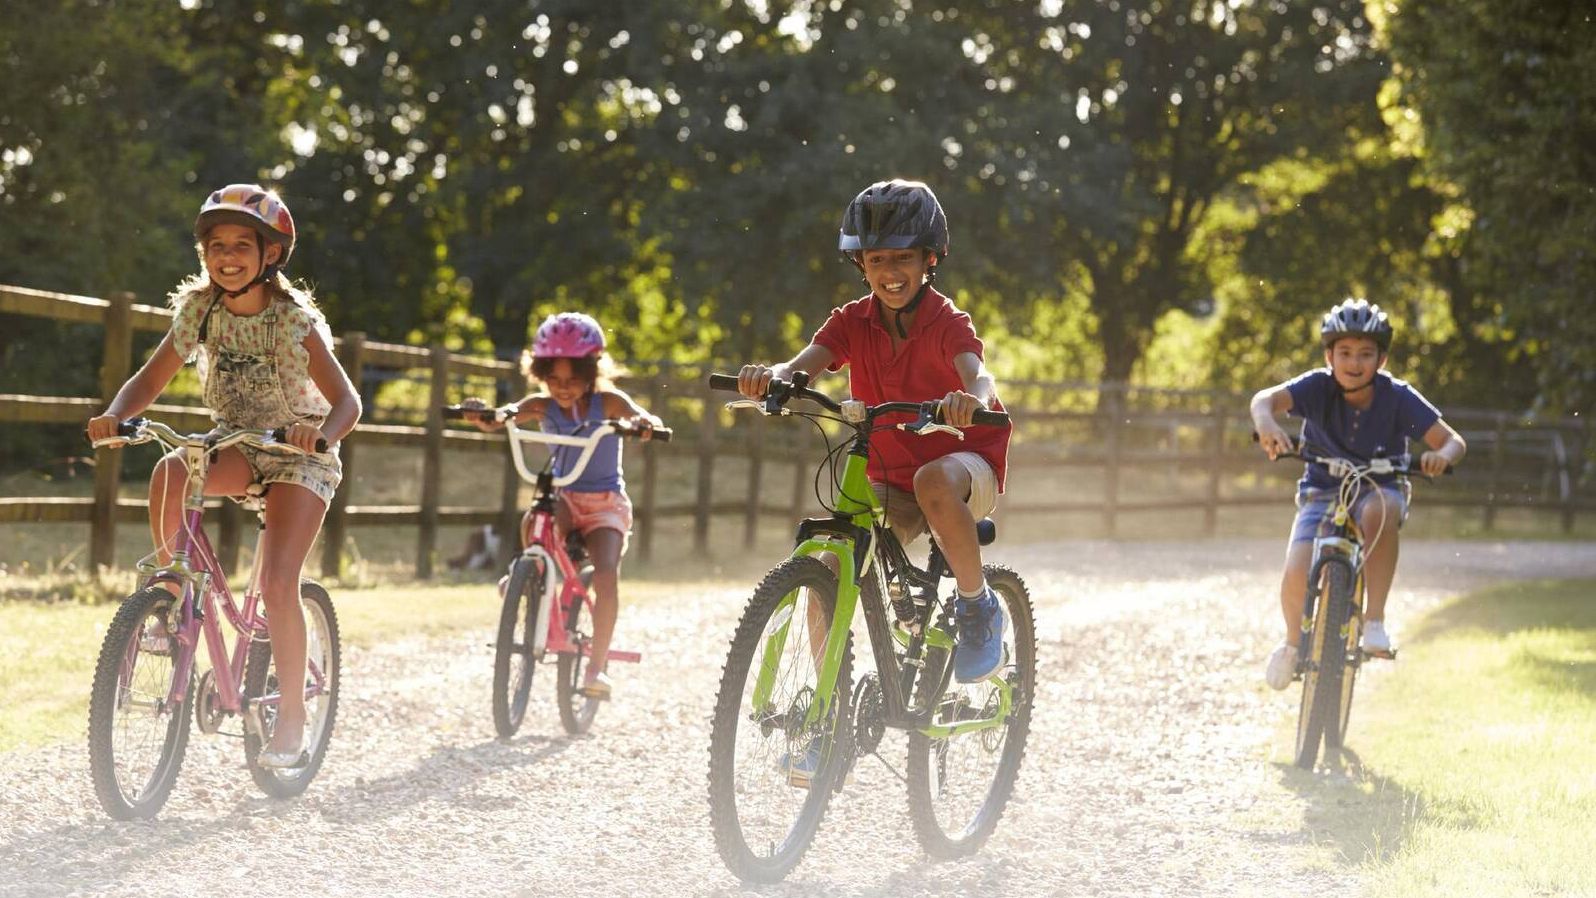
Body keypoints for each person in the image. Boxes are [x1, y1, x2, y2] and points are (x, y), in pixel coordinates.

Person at [86, 184, 362, 767]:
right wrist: (117, 415)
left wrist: (323, 435)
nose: (227, 254)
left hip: (297, 453)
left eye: (243, 243)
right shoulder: (199, 310)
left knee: (281, 583)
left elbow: (348, 402)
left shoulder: (293, 322)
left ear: (271, 255)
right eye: (216, 244)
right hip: (236, 441)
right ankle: (169, 593)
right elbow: (151, 377)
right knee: (170, 470)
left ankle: (292, 719)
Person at [736, 178, 1013, 686]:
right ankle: (826, 708)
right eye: (877, 258)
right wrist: (772, 377)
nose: (890, 271)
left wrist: (972, 397)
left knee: (933, 480)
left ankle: (978, 608)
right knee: (828, 569)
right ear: (860, 263)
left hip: (962, 464)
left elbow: (979, 373)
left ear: (930, 259)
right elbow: (800, 366)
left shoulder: (946, 320)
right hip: (888, 467)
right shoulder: (851, 322)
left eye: (904, 258)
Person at [1251, 298, 1466, 690]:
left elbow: (1453, 441)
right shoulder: (1316, 386)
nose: (1354, 363)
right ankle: (1293, 644)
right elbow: (1263, 400)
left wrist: (1440, 456)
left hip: (1379, 486)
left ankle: (1375, 621)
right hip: (1322, 489)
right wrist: (1266, 423)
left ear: (1381, 360)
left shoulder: (1398, 396)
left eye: (1366, 354)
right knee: (1298, 567)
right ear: (1329, 355)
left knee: (1380, 511)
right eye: (1345, 353)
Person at [463, 312, 663, 701]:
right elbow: (504, 415)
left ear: (591, 372)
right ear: (540, 374)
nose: (562, 389)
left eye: (572, 380)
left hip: (605, 504)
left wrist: (645, 424)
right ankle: (528, 572)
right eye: (553, 379)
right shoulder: (542, 405)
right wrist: (483, 414)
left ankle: (596, 667)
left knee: (606, 573)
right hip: (567, 497)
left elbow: (641, 415)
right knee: (538, 514)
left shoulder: (607, 402)